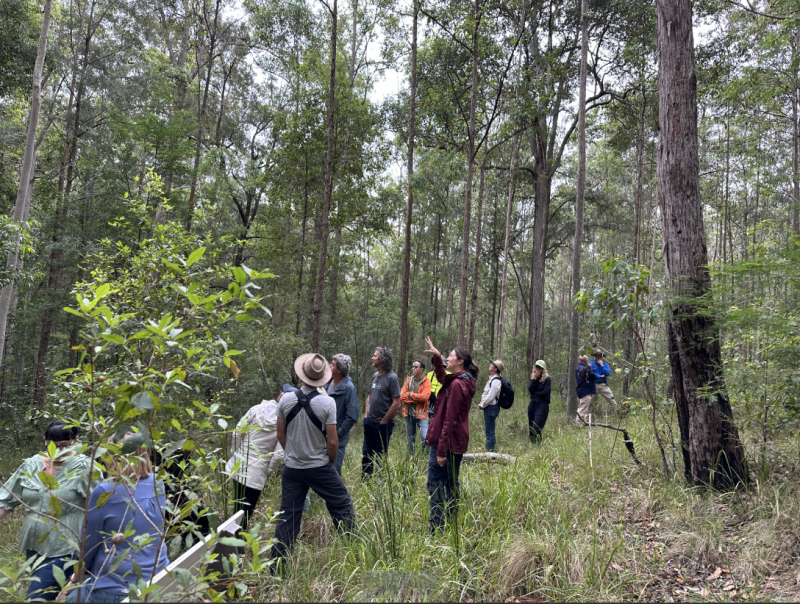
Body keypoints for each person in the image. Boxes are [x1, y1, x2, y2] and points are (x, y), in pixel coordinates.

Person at [271, 353, 355, 573]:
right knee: (342, 503)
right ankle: (354, 550)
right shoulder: (327, 403)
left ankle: (277, 570)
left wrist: (292, 454)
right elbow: (333, 440)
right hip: (320, 467)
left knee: (287, 516)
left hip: (292, 468)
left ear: (302, 375)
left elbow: (280, 435)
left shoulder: (285, 400)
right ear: (321, 377)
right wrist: (330, 461)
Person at [61, 433, 170, 603]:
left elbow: (87, 547)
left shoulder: (105, 492)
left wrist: (73, 580)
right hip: (158, 576)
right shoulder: (158, 481)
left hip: (115, 587)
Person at [0, 419, 97, 602]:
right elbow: (5, 499)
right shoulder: (31, 464)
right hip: (34, 546)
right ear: (45, 440)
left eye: (64, 446)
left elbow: (100, 506)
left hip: (65, 547)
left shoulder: (84, 467)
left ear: (75, 441)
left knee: (36, 598)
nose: (58, 451)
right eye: (53, 445)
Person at [423, 337, 477, 534]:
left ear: (460, 361)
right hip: (456, 442)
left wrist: (441, 450)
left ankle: (437, 530)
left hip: (446, 444)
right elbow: (442, 378)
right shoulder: (461, 380)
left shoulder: (456, 386)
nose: (448, 358)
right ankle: (451, 522)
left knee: (436, 484)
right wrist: (438, 357)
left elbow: (449, 419)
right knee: (451, 482)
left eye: (451, 356)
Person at [225, 397, 284, 528]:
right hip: (257, 472)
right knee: (245, 514)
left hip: (238, 465)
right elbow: (278, 455)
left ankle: (228, 541)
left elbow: (237, 433)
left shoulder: (256, 409)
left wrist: (235, 454)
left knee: (237, 508)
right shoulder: (283, 423)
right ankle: (234, 543)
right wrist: (267, 473)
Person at [361, 347, 401, 479]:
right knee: (367, 452)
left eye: (374, 356)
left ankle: (380, 481)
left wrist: (384, 421)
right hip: (369, 422)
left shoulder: (392, 378)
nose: (372, 358)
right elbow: (369, 397)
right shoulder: (374, 376)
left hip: (383, 425)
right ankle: (365, 479)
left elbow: (396, 403)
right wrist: (366, 415)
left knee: (380, 453)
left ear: (382, 359)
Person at [325, 354, 360, 474]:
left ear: (339, 370)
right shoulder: (327, 383)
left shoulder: (349, 389)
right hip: (323, 438)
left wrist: (336, 434)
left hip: (337, 441)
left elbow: (352, 416)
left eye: (332, 364)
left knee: (333, 473)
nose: (329, 366)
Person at [400, 360, 432, 455]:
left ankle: (426, 459)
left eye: (416, 367)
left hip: (421, 414)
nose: (413, 368)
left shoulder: (426, 382)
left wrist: (410, 395)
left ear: (421, 369)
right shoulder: (408, 380)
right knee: (410, 440)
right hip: (408, 414)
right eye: (413, 366)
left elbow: (425, 397)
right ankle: (411, 461)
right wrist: (416, 399)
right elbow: (402, 396)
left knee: (425, 438)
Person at [478, 359, 504, 452]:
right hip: (489, 407)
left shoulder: (496, 381)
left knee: (490, 433)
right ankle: (491, 451)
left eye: (492, 364)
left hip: (491, 408)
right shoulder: (492, 379)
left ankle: (491, 453)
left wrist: (482, 404)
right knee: (489, 431)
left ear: (496, 369)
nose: (490, 365)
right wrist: (482, 403)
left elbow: (491, 397)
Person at [527, 360, 552, 442]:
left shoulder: (547, 379)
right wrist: (534, 379)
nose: (537, 369)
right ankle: (535, 447)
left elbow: (545, 392)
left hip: (542, 405)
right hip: (532, 404)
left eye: (539, 368)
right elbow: (530, 390)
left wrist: (535, 394)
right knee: (531, 428)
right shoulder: (533, 378)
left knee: (536, 428)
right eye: (536, 367)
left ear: (543, 369)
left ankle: (537, 444)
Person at [575, 355, 598, 424]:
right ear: (585, 361)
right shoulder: (585, 369)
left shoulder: (578, 367)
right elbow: (594, 376)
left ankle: (585, 423)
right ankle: (578, 424)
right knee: (583, 408)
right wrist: (590, 369)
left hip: (583, 390)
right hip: (585, 391)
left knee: (585, 408)